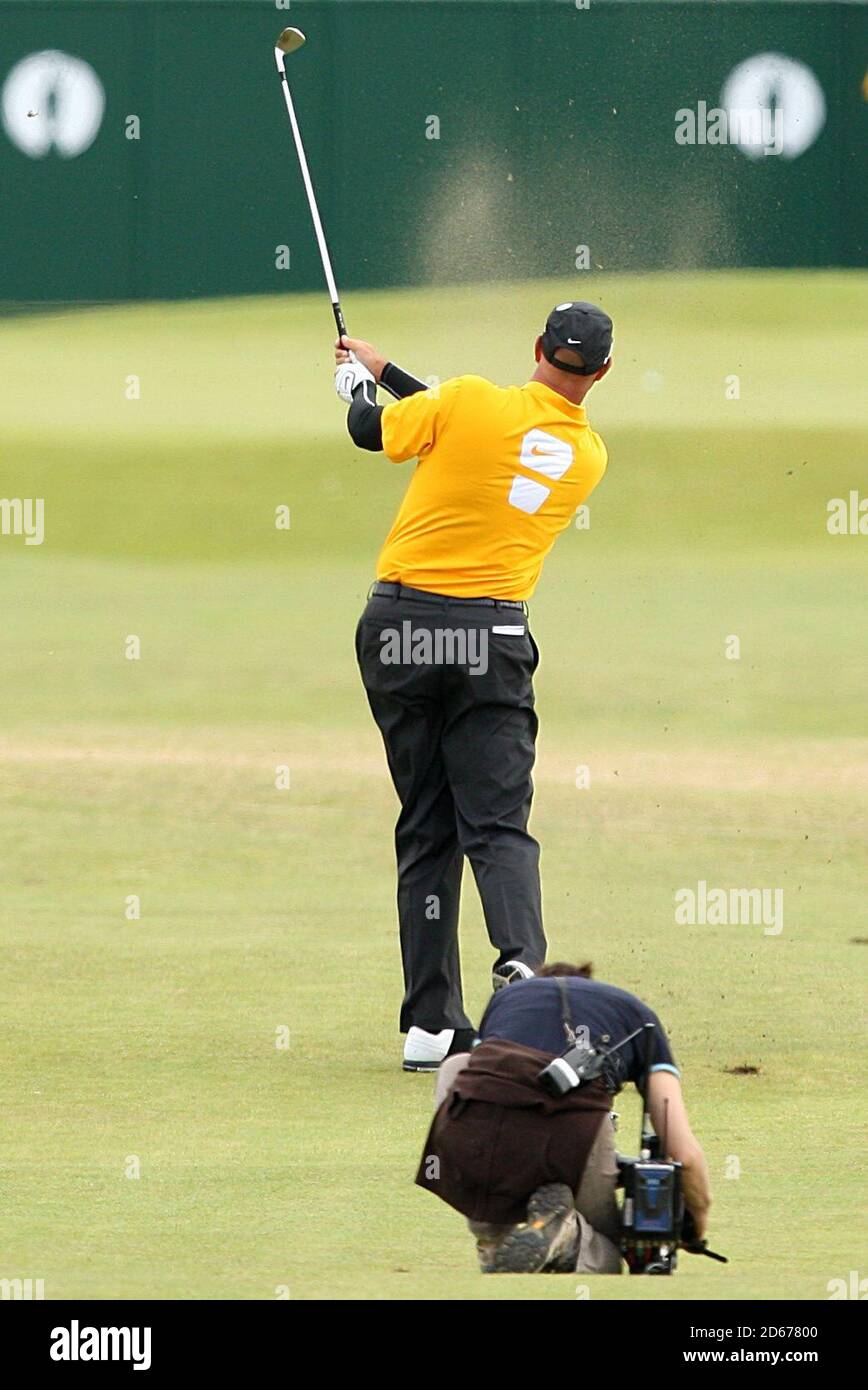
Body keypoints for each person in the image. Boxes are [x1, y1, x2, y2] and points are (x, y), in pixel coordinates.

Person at [334, 304, 613, 1071]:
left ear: (536, 348)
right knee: (496, 824)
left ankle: (430, 1024)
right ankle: (521, 964)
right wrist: (385, 371)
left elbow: (377, 431)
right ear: (602, 372)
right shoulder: (586, 454)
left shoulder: (465, 401)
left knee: (427, 823)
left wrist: (353, 387)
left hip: (401, 628)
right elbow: (488, 437)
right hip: (487, 638)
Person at [415, 962, 713, 1274]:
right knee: (607, 1253)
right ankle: (569, 1237)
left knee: (458, 1066)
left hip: (475, 1131)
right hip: (575, 1129)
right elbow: (684, 1155)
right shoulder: (638, 1015)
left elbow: (483, 1080)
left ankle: (495, 1236)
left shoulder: (506, 999)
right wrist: (696, 1227)